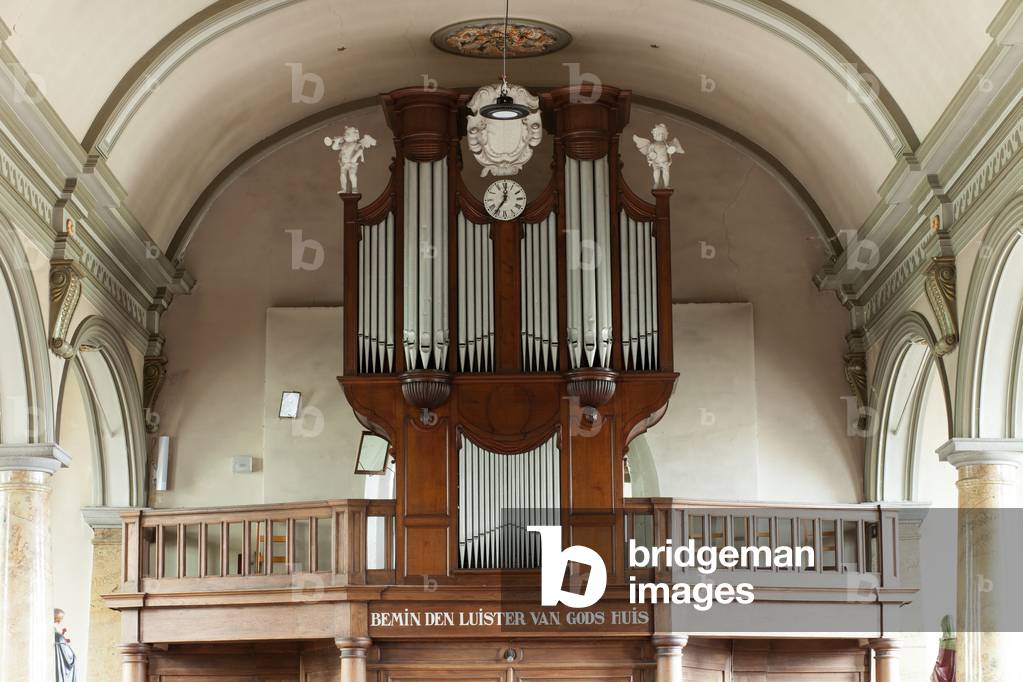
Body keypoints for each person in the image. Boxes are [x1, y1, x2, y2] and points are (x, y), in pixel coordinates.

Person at [54, 608, 77, 682]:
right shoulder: (55, 631)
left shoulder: (56, 630)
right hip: (61, 653)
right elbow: (59, 639)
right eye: (60, 618)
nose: (61, 620)